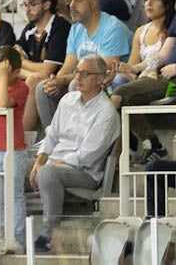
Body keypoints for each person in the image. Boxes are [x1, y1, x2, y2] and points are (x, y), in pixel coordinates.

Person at [26, 54, 118, 253]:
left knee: (47, 173)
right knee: (14, 168)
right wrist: (39, 161)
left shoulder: (106, 112)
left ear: (100, 79)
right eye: (77, 72)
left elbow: (88, 155)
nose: (79, 77)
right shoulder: (67, 100)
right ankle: (5, 231)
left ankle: (48, 234)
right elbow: (51, 135)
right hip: (54, 162)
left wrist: (51, 165)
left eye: (85, 73)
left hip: (85, 172)